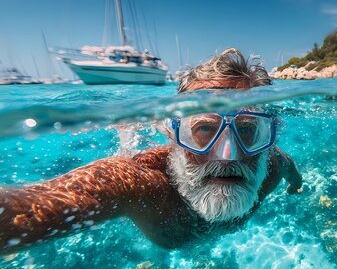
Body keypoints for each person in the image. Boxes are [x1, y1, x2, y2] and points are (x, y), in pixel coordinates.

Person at [0, 48, 303, 254]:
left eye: (248, 130)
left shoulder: (271, 164)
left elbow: (289, 168)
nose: (227, 155)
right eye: (204, 130)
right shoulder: (141, 185)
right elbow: (24, 210)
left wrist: (296, 184)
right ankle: (127, 137)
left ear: (267, 136)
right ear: (172, 133)